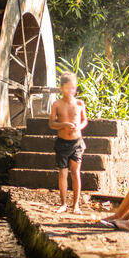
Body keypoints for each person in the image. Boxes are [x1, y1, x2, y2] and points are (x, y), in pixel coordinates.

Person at [49, 72, 88, 214]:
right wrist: (63, 124)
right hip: (62, 142)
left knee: (75, 172)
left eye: (73, 88)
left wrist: (79, 126)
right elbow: (51, 123)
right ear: (61, 88)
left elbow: (84, 121)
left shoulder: (79, 103)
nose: (71, 91)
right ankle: (63, 204)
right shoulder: (57, 104)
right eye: (67, 88)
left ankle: (75, 205)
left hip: (77, 142)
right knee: (62, 174)